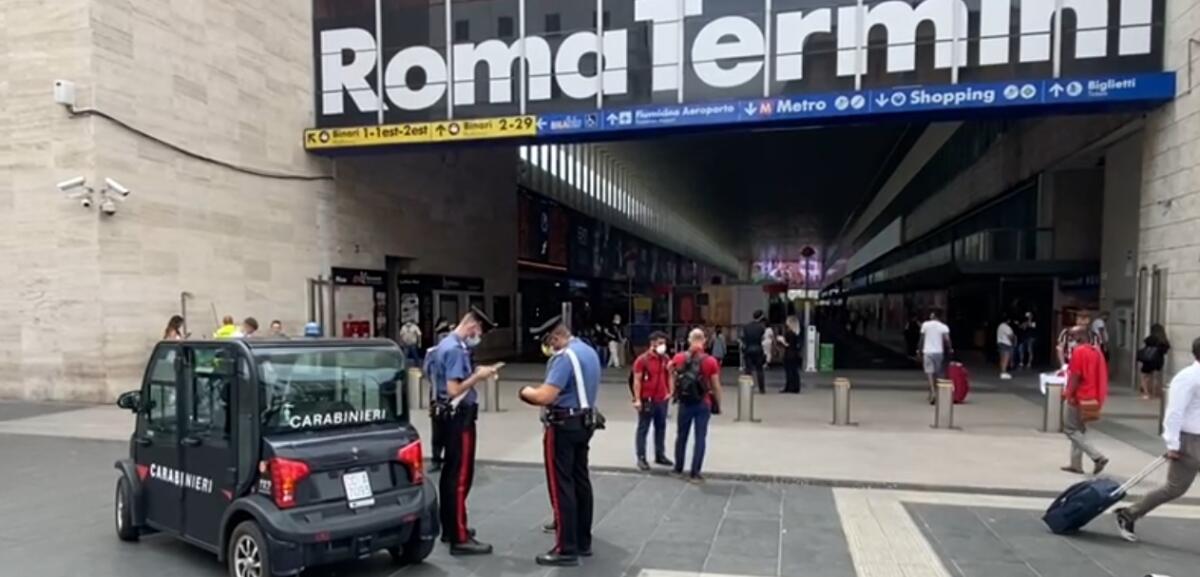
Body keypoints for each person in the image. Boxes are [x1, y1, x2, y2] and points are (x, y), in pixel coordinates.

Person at [518, 320, 601, 567]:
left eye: (548, 343)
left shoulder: (563, 358)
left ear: (555, 339)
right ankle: (583, 540)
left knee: (561, 484)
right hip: (584, 422)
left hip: (563, 425)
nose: (549, 349)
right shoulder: (588, 351)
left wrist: (525, 391)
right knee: (580, 480)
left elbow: (546, 395)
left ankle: (566, 546)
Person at [427, 307, 499, 556]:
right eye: (480, 332)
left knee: (450, 473)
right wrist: (479, 376)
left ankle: (450, 527)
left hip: (446, 416)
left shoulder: (441, 345)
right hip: (459, 418)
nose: (479, 337)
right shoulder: (456, 350)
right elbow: (455, 389)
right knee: (460, 477)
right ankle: (459, 535)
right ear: (473, 326)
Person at [1115, 337, 1200, 542]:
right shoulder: (1188, 377)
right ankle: (1129, 513)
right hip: (1190, 441)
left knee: (1174, 488)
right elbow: (1174, 412)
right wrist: (1172, 443)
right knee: (1174, 488)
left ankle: (1129, 513)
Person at [671, 328, 723, 483]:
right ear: (704, 341)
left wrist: (674, 394)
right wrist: (718, 404)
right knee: (700, 437)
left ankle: (678, 468)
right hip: (703, 402)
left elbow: (673, 377)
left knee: (681, 436)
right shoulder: (710, 361)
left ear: (689, 340)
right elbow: (715, 385)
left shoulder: (679, 357)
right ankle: (695, 472)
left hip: (685, 402)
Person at [1060, 326, 1109, 475]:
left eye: (1072, 336)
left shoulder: (1079, 352)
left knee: (1070, 429)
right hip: (1091, 396)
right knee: (1079, 430)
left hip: (1078, 397)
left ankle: (1097, 456)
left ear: (1080, 337)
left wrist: (1068, 393)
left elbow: (1075, 375)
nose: (1070, 339)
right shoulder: (1096, 352)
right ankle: (1076, 464)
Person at [631, 331, 673, 471]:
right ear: (652, 343)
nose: (663, 346)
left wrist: (670, 392)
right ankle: (641, 457)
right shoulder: (642, 360)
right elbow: (636, 380)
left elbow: (670, 375)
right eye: (660, 343)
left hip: (661, 399)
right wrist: (637, 399)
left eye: (664, 343)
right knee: (643, 428)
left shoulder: (665, 358)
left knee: (661, 427)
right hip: (646, 399)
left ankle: (660, 454)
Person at [919, 311, 952, 403]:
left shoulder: (925, 325)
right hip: (938, 352)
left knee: (929, 373)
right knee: (938, 374)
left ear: (932, 316)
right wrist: (950, 349)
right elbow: (947, 340)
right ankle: (937, 393)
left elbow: (922, 338)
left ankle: (932, 392)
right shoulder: (943, 327)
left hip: (928, 352)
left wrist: (919, 350)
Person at [1139, 324, 1172, 400]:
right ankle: (1156, 394)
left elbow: (1145, 344)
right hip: (1159, 360)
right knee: (1156, 377)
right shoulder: (1164, 340)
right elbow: (1165, 350)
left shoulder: (1150, 338)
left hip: (1149, 360)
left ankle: (1147, 394)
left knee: (1144, 377)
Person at [740, 311, 767, 394]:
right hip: (758, 350)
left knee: (748, 370)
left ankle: (747, 388)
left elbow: (743, 338)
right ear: (761, 317)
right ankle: (761, 388)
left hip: (748, 350)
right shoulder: (761, 328)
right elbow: (762, 339)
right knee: (759, 370)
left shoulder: (746, 327)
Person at [781, 316, 803, 393]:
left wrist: (782, 341)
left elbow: (788, 344)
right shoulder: (797, 333)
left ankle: (789, 387)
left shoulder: (789, 333)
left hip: (789, 354)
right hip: (795, 354)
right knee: (795, 371)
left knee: (789, 371)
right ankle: (796, 387)